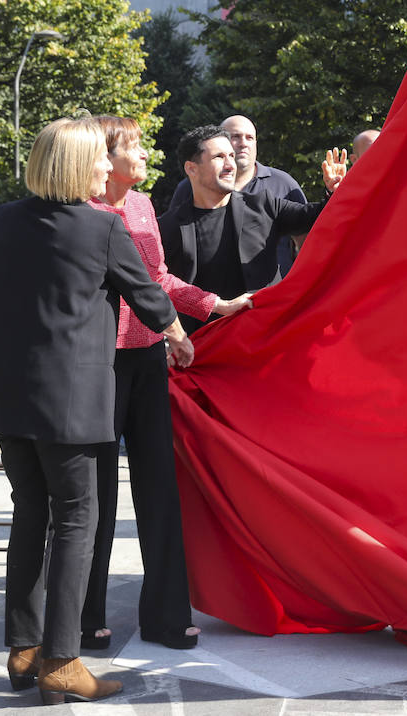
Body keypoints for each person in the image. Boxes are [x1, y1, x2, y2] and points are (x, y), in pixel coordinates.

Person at [0, 116, 194, 705]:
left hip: (11, 400)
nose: (107, 167)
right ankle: (61, 658)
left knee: (31, 517)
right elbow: (150, 298)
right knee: (76, 523)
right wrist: (178, 334)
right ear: (76, 165)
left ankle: (23, 649)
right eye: (98, 159)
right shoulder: (103, 227)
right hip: (74, 403)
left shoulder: (6, 221)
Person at [80, 116, 253, 652]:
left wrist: (212, 305)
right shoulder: (78, 212)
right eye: (135, 145)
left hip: (147, 357)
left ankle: (165, 615)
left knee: (159, 489)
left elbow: (153, 278)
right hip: (96, 365)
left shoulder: (140, 205)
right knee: (96, 496)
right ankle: (85, 617)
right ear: (106, 157)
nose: (145, 152)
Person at [160, 126, 344, 329]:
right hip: (206, 347)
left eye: (231, 155)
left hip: (266, 336)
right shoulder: (168, 227)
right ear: (192, 168)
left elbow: (318, 218)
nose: (230, 164)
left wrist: (334, 192)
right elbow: (160, 286)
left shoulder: (263, 204)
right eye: (219, 157)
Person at [166, 114, 309, 275]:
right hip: (211, 296)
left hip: (273, 294)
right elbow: (173, 244)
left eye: (250, 138)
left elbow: (308, 243)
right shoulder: (191, 187)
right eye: (235, 137)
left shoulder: (282, 184)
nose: (243, 144)